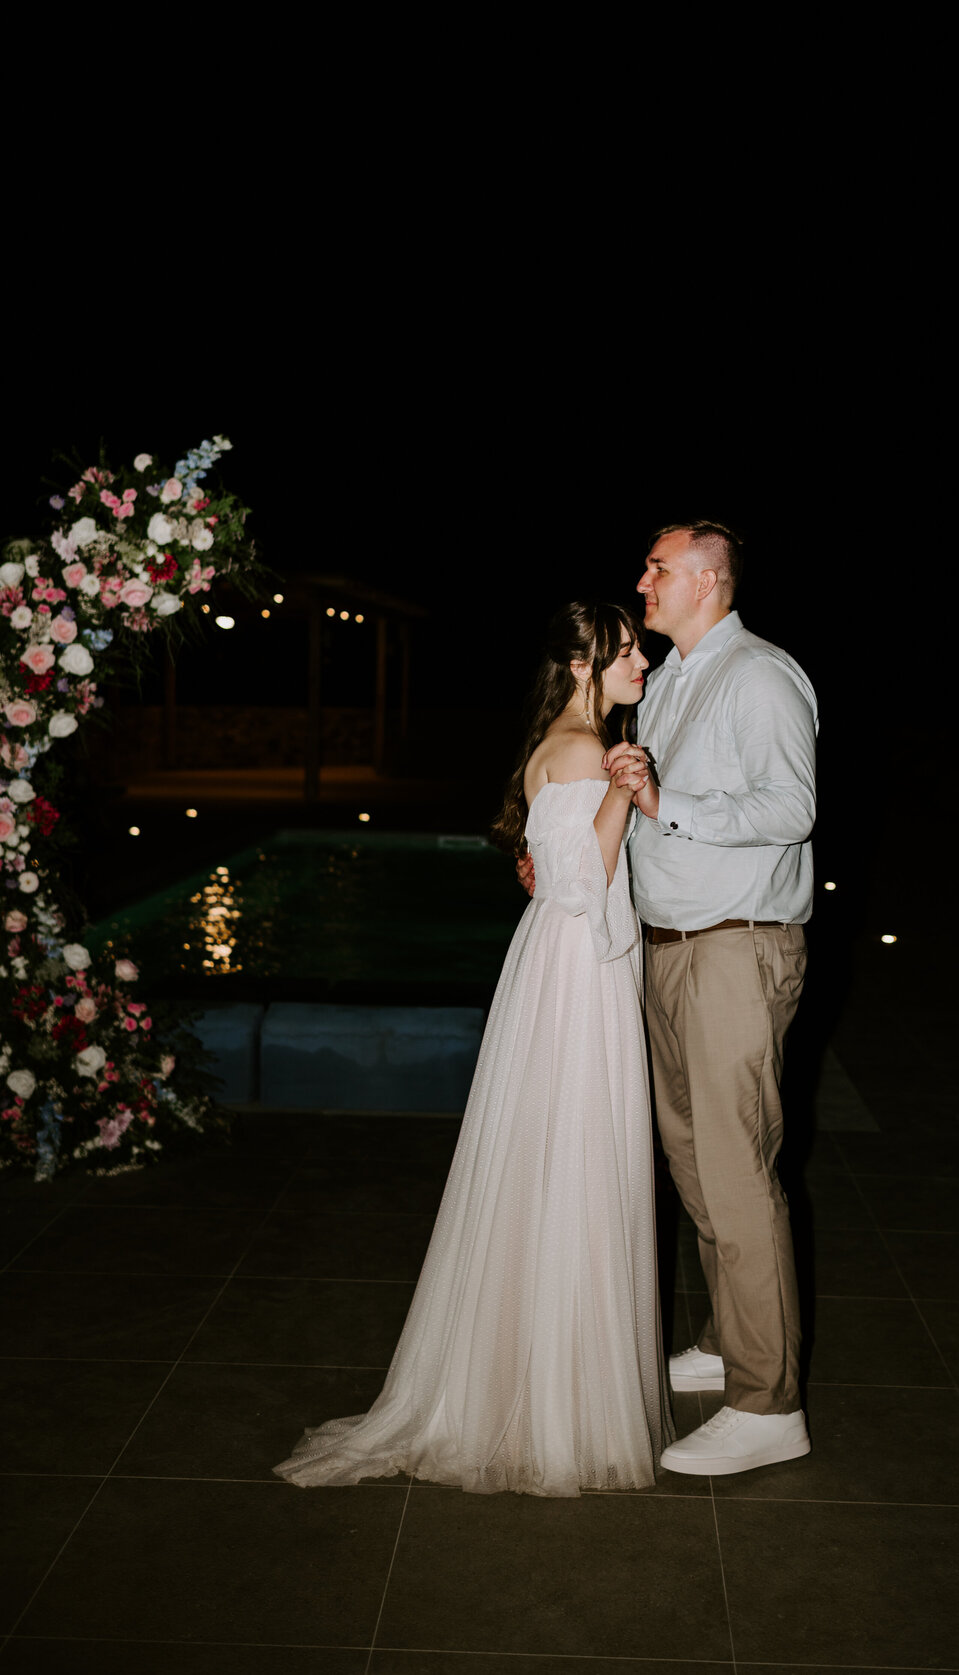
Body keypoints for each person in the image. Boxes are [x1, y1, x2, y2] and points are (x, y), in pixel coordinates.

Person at [274, 600, 673, 1497]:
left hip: (570, 964)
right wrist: (622, 789)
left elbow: (557, 862)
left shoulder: (578, 738)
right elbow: (578, 882)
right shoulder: (580, 748)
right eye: (626, 651)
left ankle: (543, 1377)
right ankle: (555, 1404)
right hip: (575, 970)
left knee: (559, 1161)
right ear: (584, 666)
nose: (641, 659)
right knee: (572, 1159)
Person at [602, 520, 818, 1477]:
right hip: (672, 948)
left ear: (707, 579)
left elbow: (791, 807)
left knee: (736, 1171)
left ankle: (769, 1404)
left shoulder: (761, 674)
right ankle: (736, 1340)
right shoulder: (676, 678)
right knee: (693, 1160)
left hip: (737, 949)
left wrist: (665, 805)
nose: (642, 580)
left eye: (656, 568)